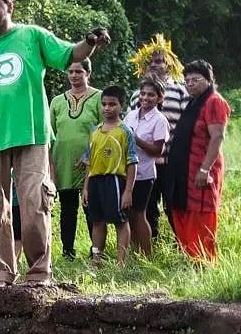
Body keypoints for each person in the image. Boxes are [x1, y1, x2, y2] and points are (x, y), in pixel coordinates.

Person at [0, 0, 110, 286]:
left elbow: (71, 55)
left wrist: (89, 42)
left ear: (9, 7)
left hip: (32, 135)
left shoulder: (32, 37)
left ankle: (39, 272)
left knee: (34, 203)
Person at [166, 59, 230, 262]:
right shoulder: (194, 102)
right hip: (183, 171)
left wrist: (204, 169)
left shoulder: (214, 101)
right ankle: (191, 260)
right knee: (182, 211)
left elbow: (217, 136)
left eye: (196, 79)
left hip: (201, 171)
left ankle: (204, 262)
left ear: (209, 80)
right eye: (188, 80)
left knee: (200, 216)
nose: (191, 84)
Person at [128, 35, 190, 240]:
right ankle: (150, 243)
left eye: (160, 61)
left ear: (168, 64)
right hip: (144, 164)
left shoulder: (180, 90)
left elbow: (186, 126)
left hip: (171, 160)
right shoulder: (138, 95)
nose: (155, 65)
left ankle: (182, 243)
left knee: (174, 204)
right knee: (146, 206)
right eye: (151, 62)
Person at [50, 60, 101, 260]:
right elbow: (51, 135)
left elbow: (105, 129)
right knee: (67, 209)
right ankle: (68, 251)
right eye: (70, 71)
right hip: (63, 161)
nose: (74, 75)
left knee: (91, 207)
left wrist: (88, 153)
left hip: (92, 162)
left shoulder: (99, 97)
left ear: (88, 72)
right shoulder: (57, 101)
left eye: (78, 71)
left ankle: (96, 250)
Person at [81, 85, 137, 266]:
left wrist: (128, 190)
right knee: (97, 221)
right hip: (95, 182)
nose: (107, 108)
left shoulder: (125, 131)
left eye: (112, 104)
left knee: (120, 221)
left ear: (121, 106)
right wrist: (86, 188)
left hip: (114, 180)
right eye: (104, 104)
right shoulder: (94, 131)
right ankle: (97, 258)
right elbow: (89, 162)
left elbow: (132, 163)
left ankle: (121, 261)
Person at [123, 77, 170, 258]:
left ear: (159, 98)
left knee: (139, 214)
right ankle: (133, 252)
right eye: (143, 93)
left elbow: (158, 151)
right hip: (126, 173)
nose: (146, 98)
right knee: (127, 215)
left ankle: (147, 254)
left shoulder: (159, 120)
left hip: (144, 173)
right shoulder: (131, 115)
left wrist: (137, 140)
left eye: (151, 95)